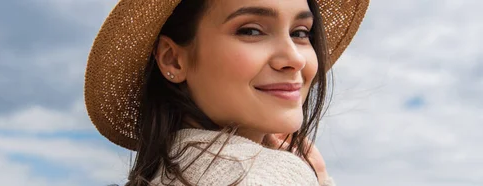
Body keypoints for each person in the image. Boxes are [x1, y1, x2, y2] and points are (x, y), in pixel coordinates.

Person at [85, 0, 369, 185]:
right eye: (251, 31)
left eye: (301, 33)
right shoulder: (265, 176)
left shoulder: (162, 176)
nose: (294, 58)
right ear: (173, 59)